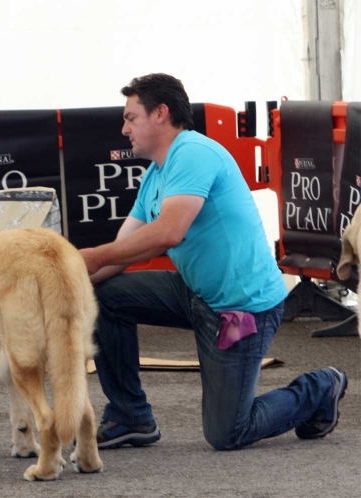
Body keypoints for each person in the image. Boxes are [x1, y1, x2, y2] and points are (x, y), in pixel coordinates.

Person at [79, 73, 348, 451]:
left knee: (227, 433)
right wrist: (72, 278)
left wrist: (87, 257)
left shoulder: (193, 152)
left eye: (130, 117)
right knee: (101, 294)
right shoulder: (156, 174)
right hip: (196, 292)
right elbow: (123, 251)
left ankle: (320, 386)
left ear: (160, 113)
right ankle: (130, 417)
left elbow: (168, 232)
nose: (124, 128)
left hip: (242, 308)